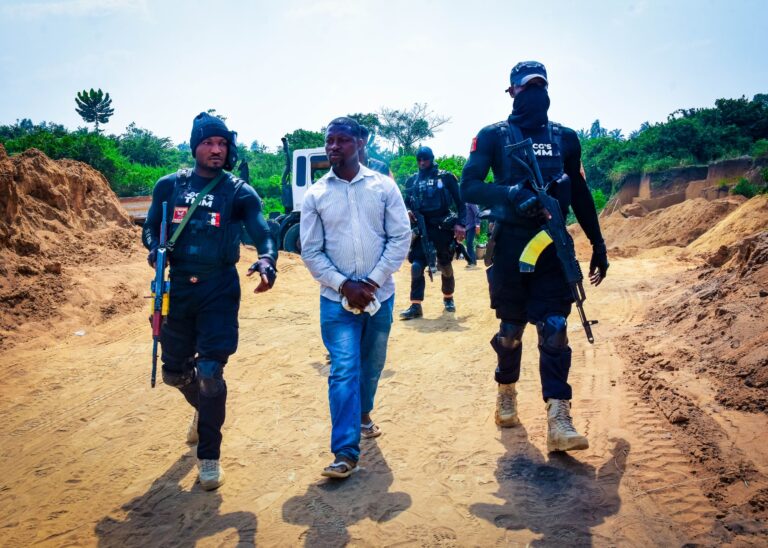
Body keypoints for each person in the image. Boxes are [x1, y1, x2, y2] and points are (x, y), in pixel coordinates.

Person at [460, 61, 609, 452]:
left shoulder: (566, 138)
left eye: (541, 85)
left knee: (556, 328)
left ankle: (559, 418)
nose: (535, 93)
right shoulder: (492, 136)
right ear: (511, 92)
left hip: (552, 248)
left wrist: (598, 243)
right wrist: (511, 194)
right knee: (510, 334)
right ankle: (506, 392)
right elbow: (469, 187)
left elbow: (580, 194)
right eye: (526, 87)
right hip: (510, 247)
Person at [142, 112, 278, 489]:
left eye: (222, 144)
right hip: (176, 289)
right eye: (208, 143)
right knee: (175, 374)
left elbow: (263, 232)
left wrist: (267, 259)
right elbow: (151, 228)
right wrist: (155, 250)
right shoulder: (168, 186)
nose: (216, 150)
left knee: (209, 373)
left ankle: (209, 456)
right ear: (195, 146)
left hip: (219, 288)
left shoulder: (238, 192)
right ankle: (205, 411)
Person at [300, 117, 411, 478]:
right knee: (343, 368)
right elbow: (311, 251)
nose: (333, 147)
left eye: (342, 140)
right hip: (335, 302)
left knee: (372, 364)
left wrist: (373, 282)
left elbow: (400, 237)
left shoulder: (383, 187)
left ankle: (364, 414)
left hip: (382, 297)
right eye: (329, 141)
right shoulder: (316, 194)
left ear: (360, 143)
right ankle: (345, 452)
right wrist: (345, 285)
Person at [400, 146, 467, 319]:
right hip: (422, 229)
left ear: (432, 158)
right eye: (419, 160)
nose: (422, 163)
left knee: (445, 266)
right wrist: (407, 210)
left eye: (426, 159)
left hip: (442, 228)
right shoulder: (412, 181)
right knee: (416, 266)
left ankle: (448, 298)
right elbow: (404, 202)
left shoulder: (445, 177)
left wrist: (461, 224)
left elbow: (461, 202)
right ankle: (416, 305)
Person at [464, 202, 481, 267]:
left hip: (472, 226)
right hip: (467, 227)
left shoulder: (471, 202)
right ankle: (471, 262)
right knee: (468, 244)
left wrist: (477, 224)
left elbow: (477, 213)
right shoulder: (465, 203)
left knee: (469, 243)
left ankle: (472, 262)